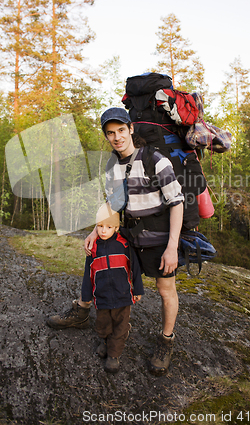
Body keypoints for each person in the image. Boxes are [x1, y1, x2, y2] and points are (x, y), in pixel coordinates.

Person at [47, 107, 184, 375]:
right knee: (97, 258)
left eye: (121, 130)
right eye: (110, 133)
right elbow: (113, 202)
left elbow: (177, 202)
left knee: (165, 289)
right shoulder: (112, 164)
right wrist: (95, 229)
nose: (117, 137)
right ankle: (82, 310)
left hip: (157, 238)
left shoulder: (156, 160)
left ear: (131, 129)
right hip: (128, 235)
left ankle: (165, 342)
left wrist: (172, 247)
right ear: (107, 137)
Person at [81, 202, 143, 374]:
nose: (103, 231)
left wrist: (137, 290)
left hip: (122, 294)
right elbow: (88, 272)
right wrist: (86, 294)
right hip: (102, 295)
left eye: (109, 227)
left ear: (116, 227)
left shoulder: (124, 244)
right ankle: (105, 341)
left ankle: (114, 355)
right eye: (100, 226)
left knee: (120, 325)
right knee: (103, 323)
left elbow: (135, 268)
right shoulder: (93, 248)